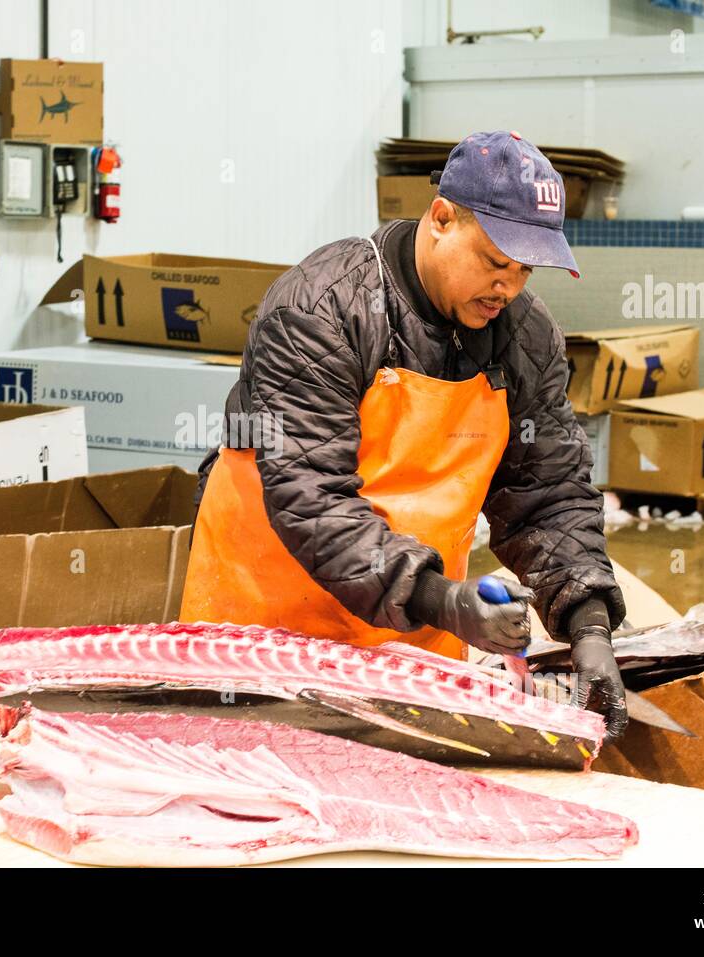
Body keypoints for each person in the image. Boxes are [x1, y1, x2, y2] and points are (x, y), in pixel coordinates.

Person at [180, 130, 628, 737]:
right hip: (267, 630)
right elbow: (311, 497)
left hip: (416, 639)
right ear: (441, 218)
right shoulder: (321, 307)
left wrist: (589, 621)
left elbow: (547, 492)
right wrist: (441, 598)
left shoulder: (525, 336)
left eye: (525, 269)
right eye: (496, 262)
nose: (510, 287)